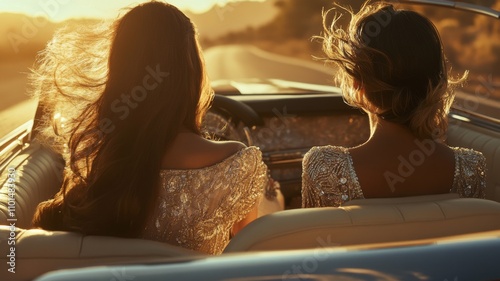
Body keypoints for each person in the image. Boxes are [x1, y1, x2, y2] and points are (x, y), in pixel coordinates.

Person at [31, 1, 275, 255]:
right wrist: (273, 202)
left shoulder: (99, 156)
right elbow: (247, 259)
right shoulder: (235, 162)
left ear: (120, 72)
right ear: (191, 70)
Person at [302, 2, 486, 208]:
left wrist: (274, 203)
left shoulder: (325, 167)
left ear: (357, 83)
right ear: (438, 81)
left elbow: (309, 234)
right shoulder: (470, 167)